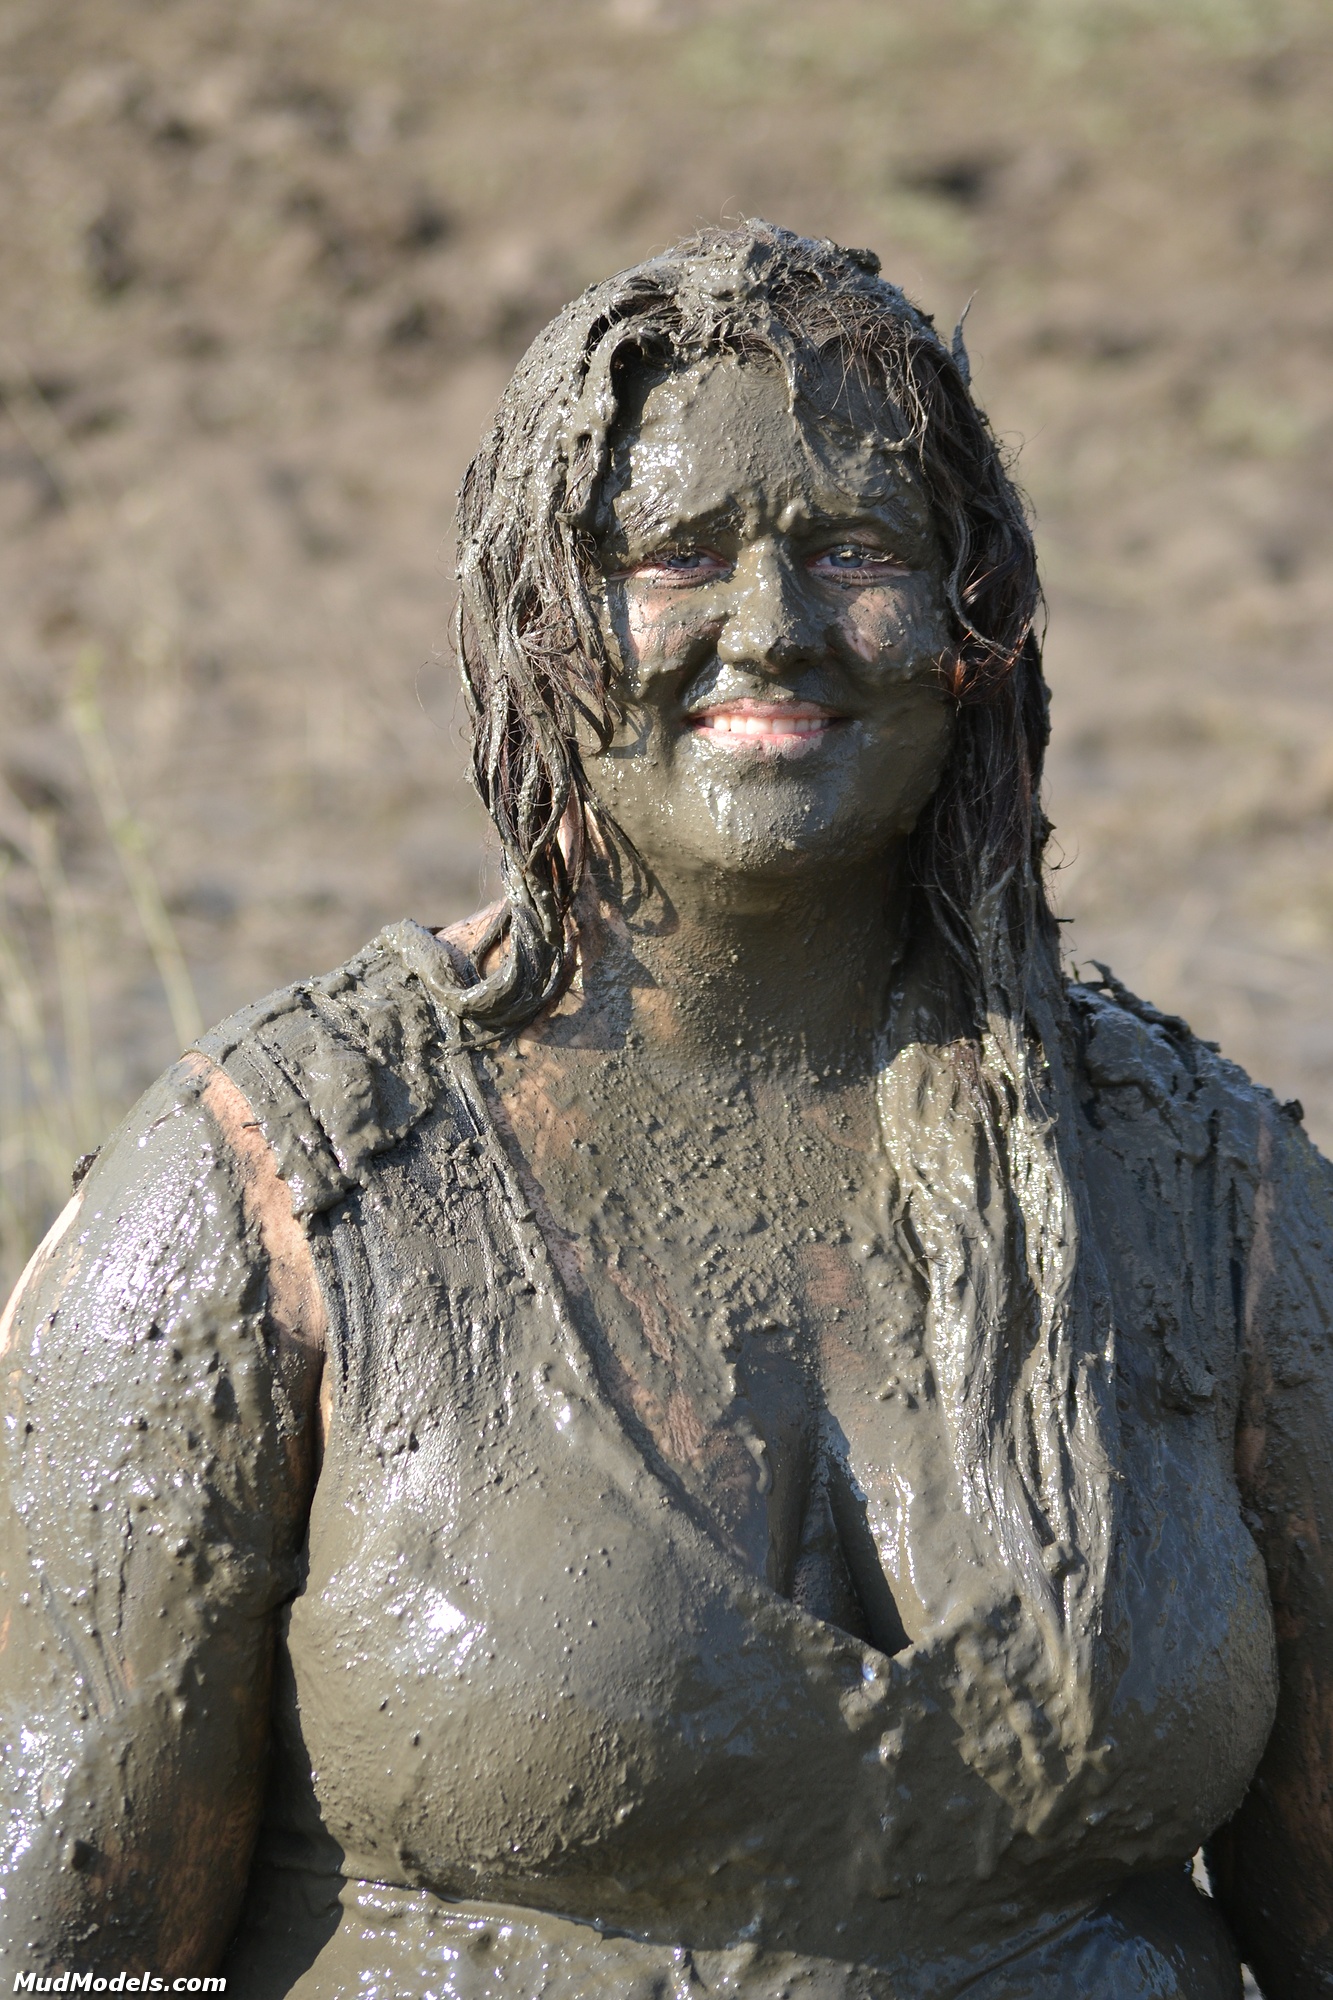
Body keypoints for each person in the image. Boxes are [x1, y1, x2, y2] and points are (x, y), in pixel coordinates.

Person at [2, 220, 1330, 2000]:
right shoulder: (272, 1193)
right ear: (535, 619)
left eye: (853, 548)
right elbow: (68, 1953)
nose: (770, 629)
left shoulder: (1214, 1197)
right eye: (674, 555)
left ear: (969, 618)